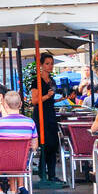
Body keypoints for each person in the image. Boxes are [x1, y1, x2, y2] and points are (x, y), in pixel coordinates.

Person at [0, 90, 37, 194]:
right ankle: (13, 192)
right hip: (22, 162)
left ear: (5, 104)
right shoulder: (30, 122)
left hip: (3, 161)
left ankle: (0, 192)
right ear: (20, 104)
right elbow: (35, 146)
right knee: (15, 157)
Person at [29, 53, 63, 183]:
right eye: (47, 63)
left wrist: (61, 98)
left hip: (50, 113)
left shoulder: (52, 81)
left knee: (53, 144)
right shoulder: (36, 81)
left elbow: (50, 101)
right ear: (41, 65)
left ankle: (52, 174)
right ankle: (44, 172)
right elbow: (34, 101)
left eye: (51, 63)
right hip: (41, 114)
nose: (50, 66)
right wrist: (47, 96)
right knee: (45, 143)